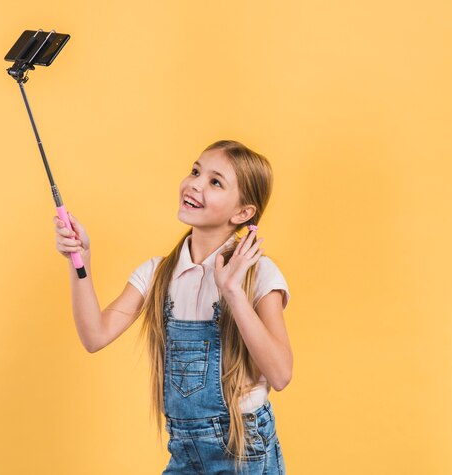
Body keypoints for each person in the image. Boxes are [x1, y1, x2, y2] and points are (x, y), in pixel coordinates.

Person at [53, 139, 291, 474]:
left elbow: (280, 375)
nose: (195, 183)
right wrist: (81, 260)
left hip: (244, 451)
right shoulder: (157, 274)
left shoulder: (258, 275)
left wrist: (232, 292)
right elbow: (95, 336)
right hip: (184, 449)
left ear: (242, 212)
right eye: (195, 171)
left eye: (215, 181)